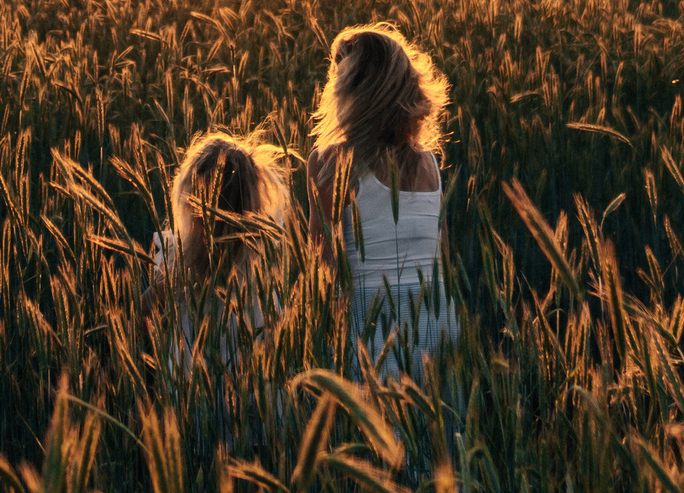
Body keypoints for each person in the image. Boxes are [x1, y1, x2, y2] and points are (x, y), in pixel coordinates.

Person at [305, 22, 458, 372]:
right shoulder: (429, 163)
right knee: (440, 427)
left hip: (371, 332)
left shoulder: (329, 162)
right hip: (438, 328)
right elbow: (443, 262)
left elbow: (323, 269)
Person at [150, 131, 290, 376]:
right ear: (254, 205)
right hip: (248, 402)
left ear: (190, 202)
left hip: (189, 398)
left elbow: (141, 314)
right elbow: (271, 347)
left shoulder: (176, 262)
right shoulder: (262, 272)